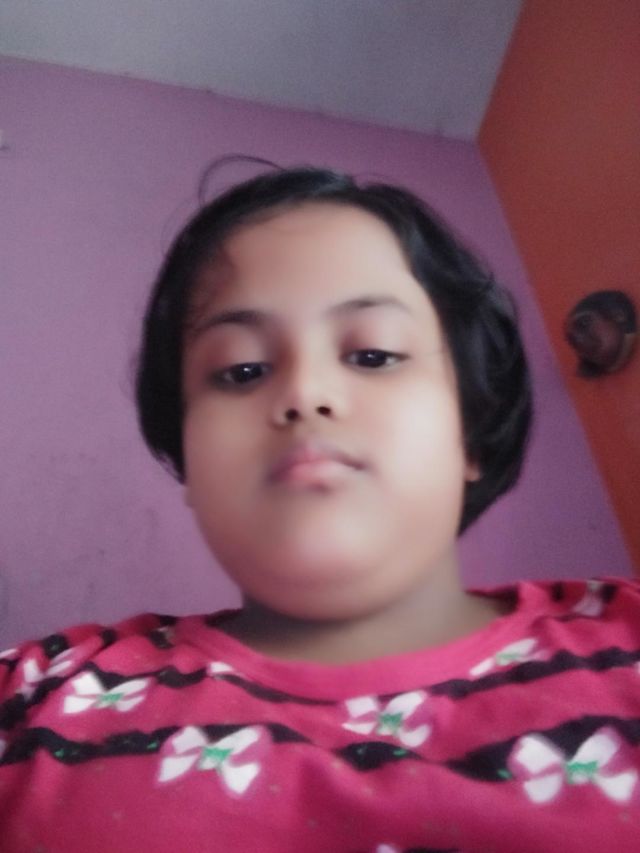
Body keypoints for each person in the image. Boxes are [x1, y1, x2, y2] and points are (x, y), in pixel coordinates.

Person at [1, 158, 638, 853]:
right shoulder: (35, 692)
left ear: (472, 432)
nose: (305, 393)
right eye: (242, 370)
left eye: (373, 355)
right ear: (189, 460)